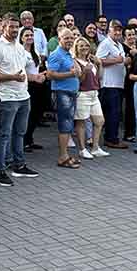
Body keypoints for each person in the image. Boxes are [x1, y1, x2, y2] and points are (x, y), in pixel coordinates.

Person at [0, 16, 40, 184]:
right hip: (7, 98)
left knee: (20, 133)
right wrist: (12, 77)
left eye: (17, 27)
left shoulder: (19, 46)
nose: (15, 30)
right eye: (11, 27)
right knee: (4, 135)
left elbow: (21, 70)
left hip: (24, 96)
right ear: (3, 27)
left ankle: (19, 165)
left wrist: (32, 78)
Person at [46, 27, 83, 168]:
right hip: (62, 93)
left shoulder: (68, 54)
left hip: (70, 93)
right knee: (65, 126)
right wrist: (70, 74)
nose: (69, 40)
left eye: (71, 38)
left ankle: (65, 155)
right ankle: (62, 157)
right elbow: (50, 75)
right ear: (59, 39)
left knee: (68, 126)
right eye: (66, 38)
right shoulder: (56, 54)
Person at [71, 36, 110, 159]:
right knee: (81, 122)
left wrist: (99, 64)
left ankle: (95, 147)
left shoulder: (90, 61)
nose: (84, 48)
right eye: (81, 46)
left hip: (94, 93)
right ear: (76, 48)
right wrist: (85, 71)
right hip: (83, 94)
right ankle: (82, 149)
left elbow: (99, 77)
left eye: (86, 45)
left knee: (100, 121)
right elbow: (79, 81)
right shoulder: (74, 61)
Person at [96, 20, 128, 149]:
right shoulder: (105, 43)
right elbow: (98, 60)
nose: (118, 32)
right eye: (115, 29)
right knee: (112, 113)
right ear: (109, 30)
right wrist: (116, 60)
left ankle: (111, 137)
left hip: (118, 83)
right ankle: (111, 139)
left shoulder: (119, 45)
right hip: (109, 84)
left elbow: (121, 61)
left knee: (115, 113)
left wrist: (126, 61)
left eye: (120, 30)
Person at [18, 27, 49, 152]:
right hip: (27, 85)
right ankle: (23, 141)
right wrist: (34, 77)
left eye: (31, 35)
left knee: (36, 113)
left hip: (37, 85)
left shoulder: (34, 51)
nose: (30, 37)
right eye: (26, 35)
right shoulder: (20, 52)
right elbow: (20, 70)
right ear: (21, 38)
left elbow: (36, 68)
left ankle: (30, 139)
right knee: (28, 114)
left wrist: (41, 75)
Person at [121, 24, 137, 142]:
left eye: (133, 34)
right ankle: (128, 134)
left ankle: (135, 132)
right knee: (130, 107)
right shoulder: (122, 47)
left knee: (136, 107)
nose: (132, 37)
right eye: (129, 35)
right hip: (127, 80)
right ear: (124, 37)